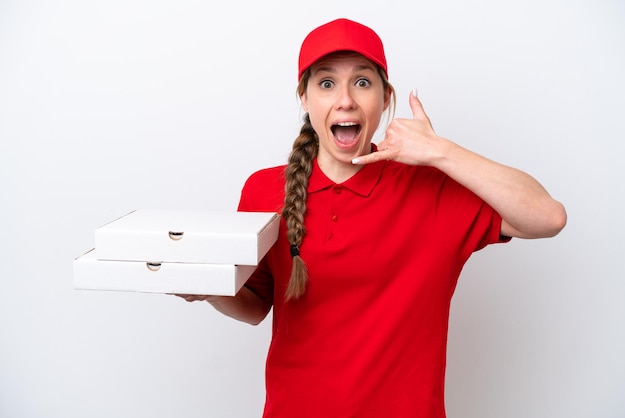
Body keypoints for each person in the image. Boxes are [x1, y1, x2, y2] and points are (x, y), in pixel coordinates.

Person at [179, 18, 566, 418]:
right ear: (305, 99)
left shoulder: (432, 187)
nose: (345, 99)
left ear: (385, 99)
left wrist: (441, 152)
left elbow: (547, 217)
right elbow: (256, 306)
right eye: (326, 83)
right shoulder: (264, 190)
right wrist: (208, 289)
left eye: (362, 82)